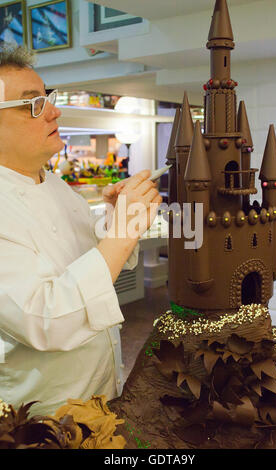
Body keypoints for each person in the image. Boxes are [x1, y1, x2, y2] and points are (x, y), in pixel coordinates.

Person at [0, 44, 162, 416]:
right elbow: (47, 319)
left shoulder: (55, 184)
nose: (54, 111)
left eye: (47, 98)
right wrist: (123, 231)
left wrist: (113, 219)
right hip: (43, 420)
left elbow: (87, 258)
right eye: (33, 104)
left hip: (101, 396)